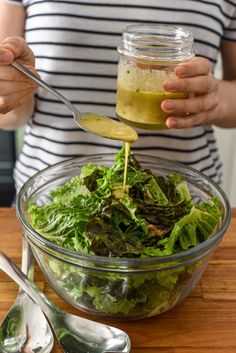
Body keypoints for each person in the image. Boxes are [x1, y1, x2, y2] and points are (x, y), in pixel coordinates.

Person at [0, 0, 236, 193]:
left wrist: (215, 99)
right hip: (51, 198)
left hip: (185, 200)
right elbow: (8, 117)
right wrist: (11, 90)